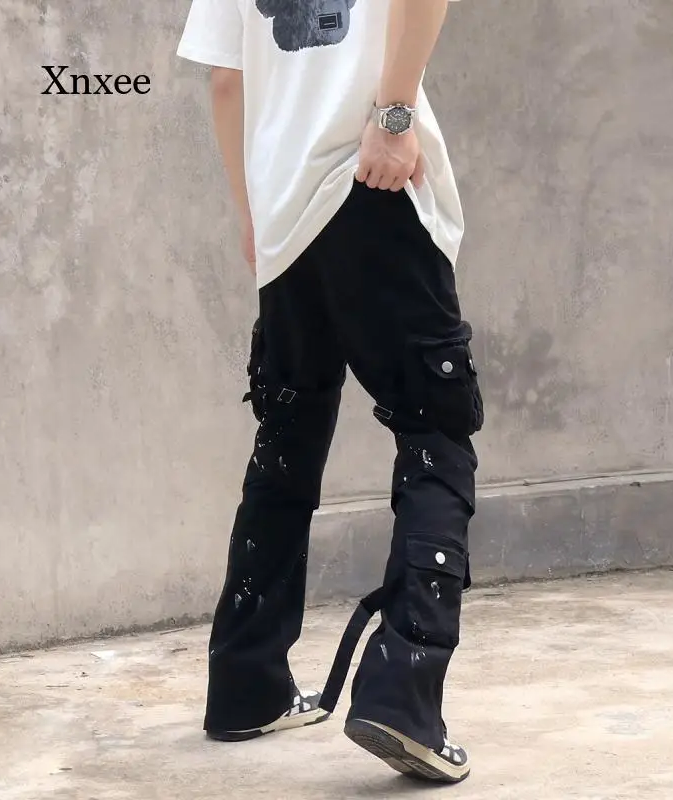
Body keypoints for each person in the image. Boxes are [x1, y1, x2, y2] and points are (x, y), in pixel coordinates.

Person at [177, 0, 482, 784]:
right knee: (435, 431)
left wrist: (253, 214)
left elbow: (225, 80)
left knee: (286, 440)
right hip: (372, 179)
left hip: (285, 213)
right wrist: (393, 116)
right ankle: (403, 694)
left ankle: (245, 685)